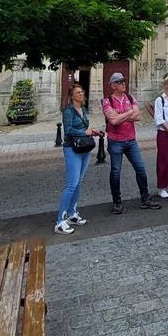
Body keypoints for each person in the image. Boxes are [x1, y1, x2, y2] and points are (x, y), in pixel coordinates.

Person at [102, 72, 161, 214]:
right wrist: (129, 113)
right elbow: (114, 121)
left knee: (140, 169)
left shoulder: (130, 97)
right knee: (115, 172)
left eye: (124, 81)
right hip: (115, 141)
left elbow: (138, 116)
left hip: (131, 140)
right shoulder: (107, 101)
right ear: (113, 85)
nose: (123, 84)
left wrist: (120, 115)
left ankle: (145, 199)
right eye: (120, 82)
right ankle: (117, 203)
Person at [55, 85, 101, 234]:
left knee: (78, 183)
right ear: (72, 96)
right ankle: (60, 221)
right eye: (77, 92)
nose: (81, 94)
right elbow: (68, 130)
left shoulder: (84, 109)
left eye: (82, 91)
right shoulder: (68, 111)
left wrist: (92, 131)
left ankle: (72, 213)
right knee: (71, 184)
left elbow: (83, 129)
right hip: (72, 149)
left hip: (84, 149)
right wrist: (84, 131)